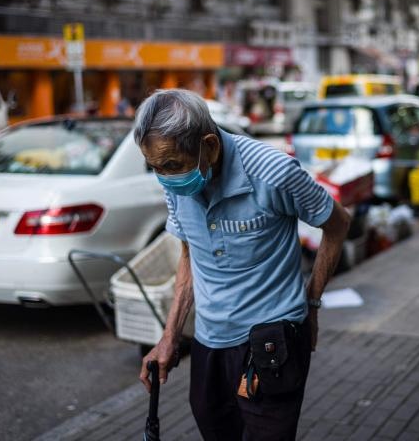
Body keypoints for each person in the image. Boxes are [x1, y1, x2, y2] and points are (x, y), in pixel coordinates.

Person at [133, 89, 351, 440]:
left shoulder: (273, 171)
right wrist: (170, 336)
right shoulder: (174, 181)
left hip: (271, 342)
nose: (164, 177)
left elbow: (338, 224)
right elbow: (190, 256)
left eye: (171, 166)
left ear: (211, 146)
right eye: (155, 167)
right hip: (209, 342)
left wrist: (311, 303)